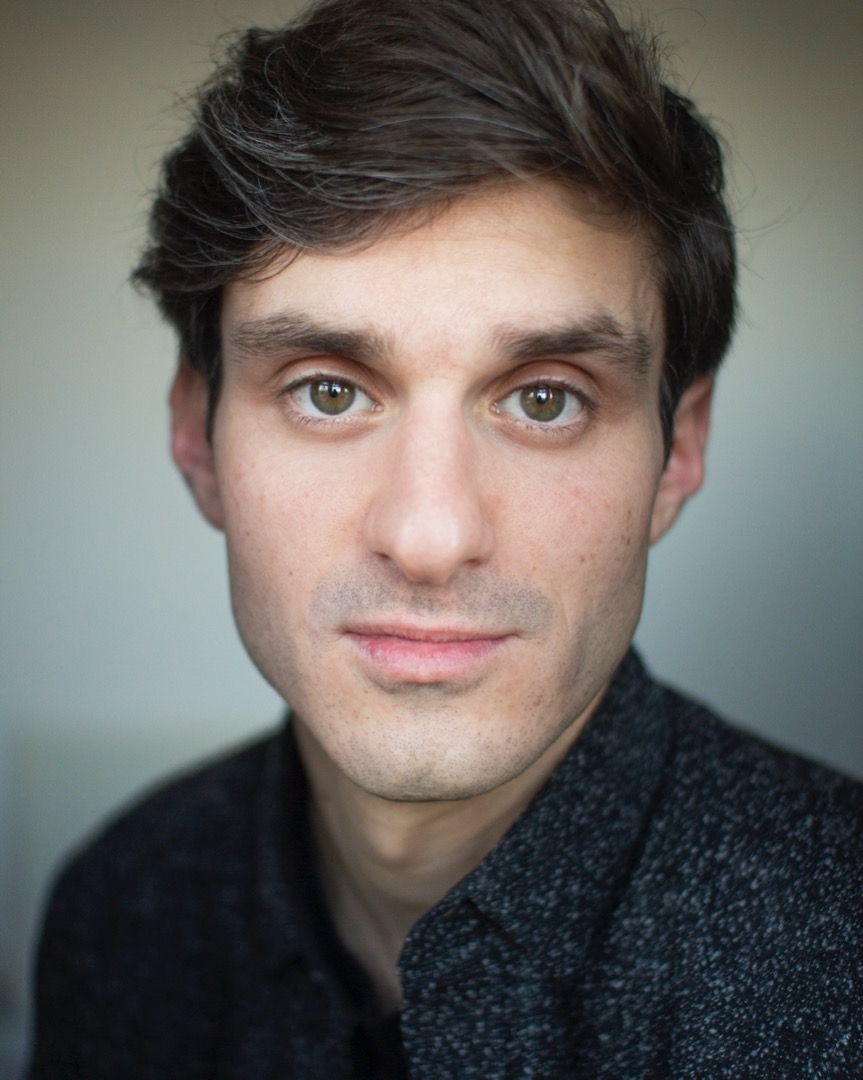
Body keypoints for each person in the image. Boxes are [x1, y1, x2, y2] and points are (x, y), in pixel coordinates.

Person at [26, 0, 862, 1075]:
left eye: (545, 400)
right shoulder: (122, 906)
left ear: (676, 451)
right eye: (328, 391)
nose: (428, 537)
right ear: (197, 436)